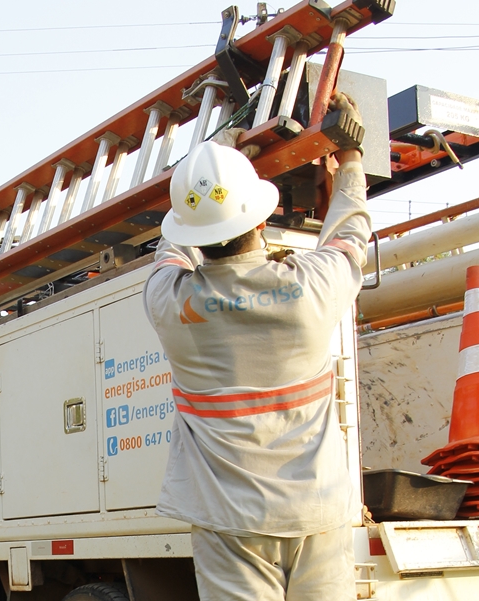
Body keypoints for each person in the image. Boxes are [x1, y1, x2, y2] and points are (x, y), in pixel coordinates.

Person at [143, 93, 369, 600]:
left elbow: (171, 248)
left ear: (197, 238)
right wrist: (351, 161)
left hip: (228, 521)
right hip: (319, 510)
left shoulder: (168, 302)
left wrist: (216, 151)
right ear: (262, 219)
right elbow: (350, 234)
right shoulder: (312, 286)